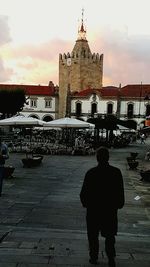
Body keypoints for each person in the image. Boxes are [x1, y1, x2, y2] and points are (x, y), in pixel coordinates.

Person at [80, 146, 125, 266]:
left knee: (93, 236)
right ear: (108, 157)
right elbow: (120, 191)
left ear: (97, 158)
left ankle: (93, 257)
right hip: (109, 210)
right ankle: (111, 257)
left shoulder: (91, 173)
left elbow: (83, 193)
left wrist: (86, 204)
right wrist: (119, 204)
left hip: (93, 210)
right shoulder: (116, 172)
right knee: (110, 236)